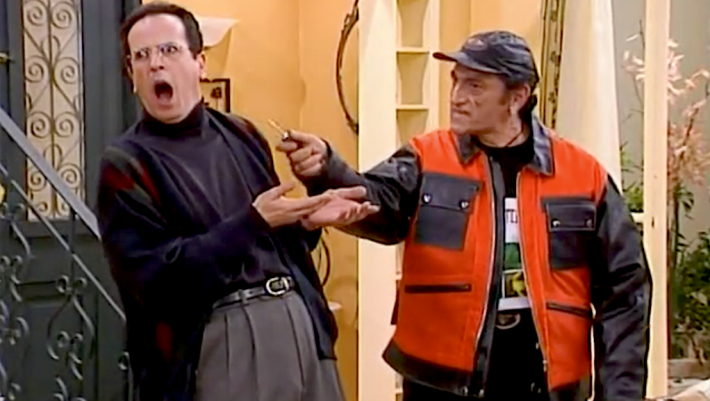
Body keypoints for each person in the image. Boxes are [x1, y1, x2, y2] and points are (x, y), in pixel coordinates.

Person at [278, 30, 651, 401]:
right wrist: (326, 170)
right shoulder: (427, 157)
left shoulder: (582, 174)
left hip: (543, 378)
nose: (457, 96)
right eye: (456, 81)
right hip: (439, 379)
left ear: (517, 97)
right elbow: (379, 201)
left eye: (475, 86)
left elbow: (625, 291)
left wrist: (619, 395)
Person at [96, 2, 377, 400]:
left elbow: (272, 241)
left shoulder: (242, 133)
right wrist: (253, 221)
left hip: (299, 320)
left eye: (169, 50)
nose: (155, 64)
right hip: (224, 339)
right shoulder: (126, 164)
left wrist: (306, 222)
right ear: (131, 76)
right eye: (141, 56)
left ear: (200, 63)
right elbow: (158, 283)